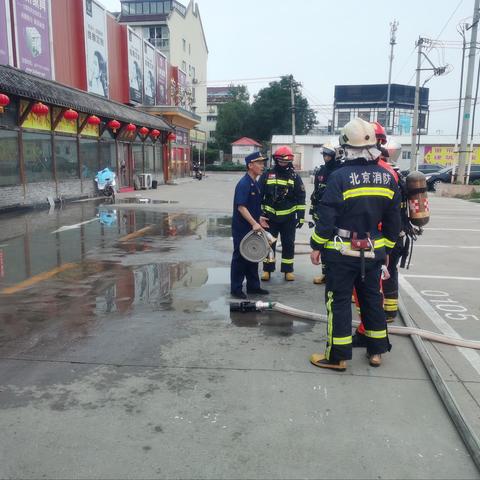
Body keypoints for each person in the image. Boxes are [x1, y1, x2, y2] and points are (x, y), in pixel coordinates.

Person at [309, 118, 401, 371]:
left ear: (345, 146)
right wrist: (387, 250)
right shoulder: (387, 177)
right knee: (372, 299)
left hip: (341, 252)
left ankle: (337, 356)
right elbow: (394, 222)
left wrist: (316, 245)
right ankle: (376, 351)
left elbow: (327, 218)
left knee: (338, 301)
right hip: (373, 251)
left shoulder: (339, 177)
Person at [259, 146, 306, 282]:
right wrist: (259, 214)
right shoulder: (267, 174)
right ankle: (267, 270)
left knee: (288, 244)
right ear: (276, 160)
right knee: (269, 244)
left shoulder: (295, 177)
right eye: (281, 161)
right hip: (269, 218)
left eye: (286, 161)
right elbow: (258, 195)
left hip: (289, 218)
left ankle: (288, 270)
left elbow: (301, 197)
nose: (284, 163)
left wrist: (301, 216)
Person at [230, 151, 270, 299]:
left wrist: (259, 219)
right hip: (242, 228)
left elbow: (250, 206)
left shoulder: (255, 183)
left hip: (252, 226)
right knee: (240, 258)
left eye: (262, 163)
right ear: (250, 165)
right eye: (259, 163)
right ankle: (236, 289)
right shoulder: (244, 183)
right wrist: (254, 223)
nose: (262, 166)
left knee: (252, 256)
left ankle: (253, 287)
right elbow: (241, 207)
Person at [310, 142, 342, 284]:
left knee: (335, 248)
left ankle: (336, 276)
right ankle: (325, 274)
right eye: (324, 154)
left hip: (335, 217)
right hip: (321, 214)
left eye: (328, 155)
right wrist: (313, 209)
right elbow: (316, 191)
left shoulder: (341, 171)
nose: (325, 157)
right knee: (322, 246)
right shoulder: (321, 171)